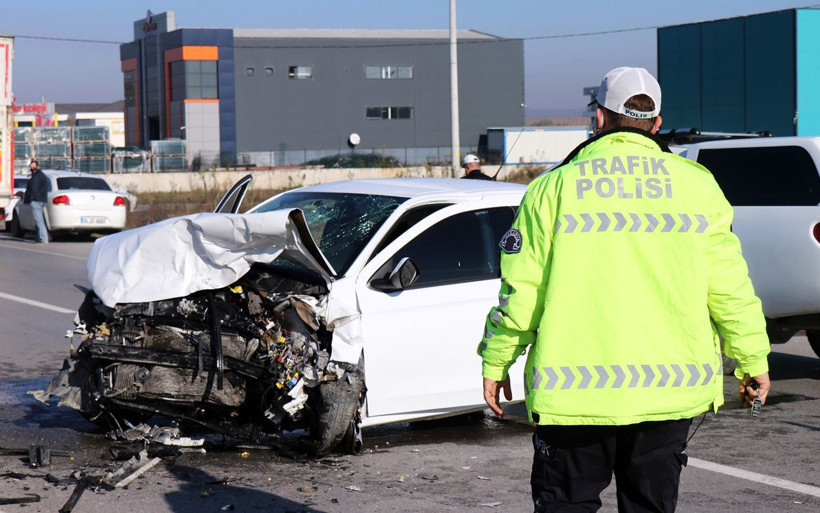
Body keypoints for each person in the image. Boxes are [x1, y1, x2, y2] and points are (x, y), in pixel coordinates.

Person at [478, 67, 770, 513]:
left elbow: (522, 293)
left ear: (599, 118)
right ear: (656, 124)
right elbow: (730, 287)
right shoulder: (697, 186)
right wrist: (753, 359)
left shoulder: (552, 189)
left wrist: (498, 359)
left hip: (574, 397)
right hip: (668, 394)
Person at [23, 159, 50, 244]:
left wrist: (30, 199)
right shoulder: (43, 176)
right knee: (39, 219)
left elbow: (33, 189)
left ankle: (44, 239)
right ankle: (38, 237)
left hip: (36, 200)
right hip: (42, 200)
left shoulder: (35, 177)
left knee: (39, 220)